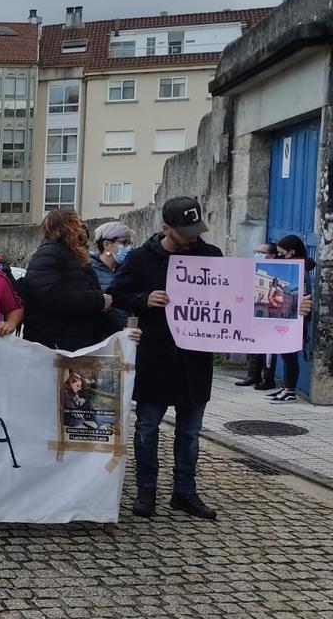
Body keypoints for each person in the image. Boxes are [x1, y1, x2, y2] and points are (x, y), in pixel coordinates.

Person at [108, 197, 310, 520]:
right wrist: (144, 299)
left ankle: (184, 492)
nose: (193, 236)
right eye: (186, 230)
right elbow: (116, 295)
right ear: (166, 228)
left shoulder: (211, 256)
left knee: (189, 432)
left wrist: (290, 309)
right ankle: (146, 489)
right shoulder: (141, 259)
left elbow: (242, 300)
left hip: (195, 361)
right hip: (156, 358)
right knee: (147, 427)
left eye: (196, 229)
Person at [21, 209, 119, 351]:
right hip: (56, 346)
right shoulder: (49, 253)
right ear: (66, 227)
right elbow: (51, 297)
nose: (82, 229)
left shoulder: (71, 255)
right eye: (78, 223)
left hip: (74, 342)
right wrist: (98, 300)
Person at [265, 235, 315, 403]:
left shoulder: (302, 270)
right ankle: (286, 387)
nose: (278, 256)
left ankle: (290, 390)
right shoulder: (291, 267)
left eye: (281, 253)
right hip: (286, 315)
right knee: (285, 353)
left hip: (296, 319)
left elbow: (304, 294)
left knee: (290, 354)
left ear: (291, 252)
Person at [239, 242, 279, 389]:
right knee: (252, 344)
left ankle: (268, 379)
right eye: (256, 251)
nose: (258, 254)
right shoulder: (253, 267)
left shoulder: (277, 270)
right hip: (253, 309)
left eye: (262, 252)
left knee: (268, 348)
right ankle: (253, 375)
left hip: (270, 313)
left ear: (272, 255)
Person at [90, 221, 134, 292]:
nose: (129, 247)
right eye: (124, 242)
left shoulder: (129, 268)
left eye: (130, 243)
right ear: (107, 245)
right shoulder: (89, 271)